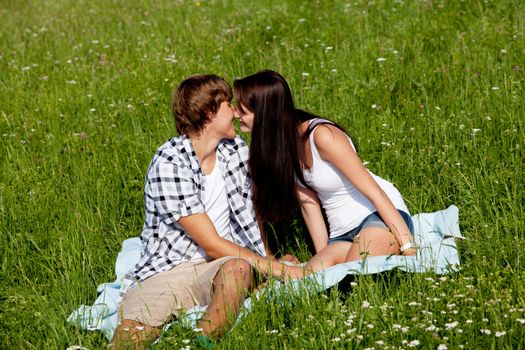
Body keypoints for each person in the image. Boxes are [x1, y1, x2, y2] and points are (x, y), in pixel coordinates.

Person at [112, 74, 306, 349]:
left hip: (220, 266)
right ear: (208, 113)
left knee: (238, 269)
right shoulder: (170, 162)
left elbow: (253, 215)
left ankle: (201, 341)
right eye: (229, 104)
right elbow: (211, 243)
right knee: (133, 332)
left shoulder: (234, 150)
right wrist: (276, 270)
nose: (237, 112)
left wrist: (268, 258)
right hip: (170, 268)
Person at [233, 70, 417, 272]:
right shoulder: (281, 148)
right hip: (340, 234)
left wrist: (408, 246)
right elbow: (308, 205)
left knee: (353, 275)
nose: (235, 114)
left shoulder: (322, 136)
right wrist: (322, 254)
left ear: (264, 113)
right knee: (313, 280)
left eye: (243, 111)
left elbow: (373, 190)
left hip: (377, 218)